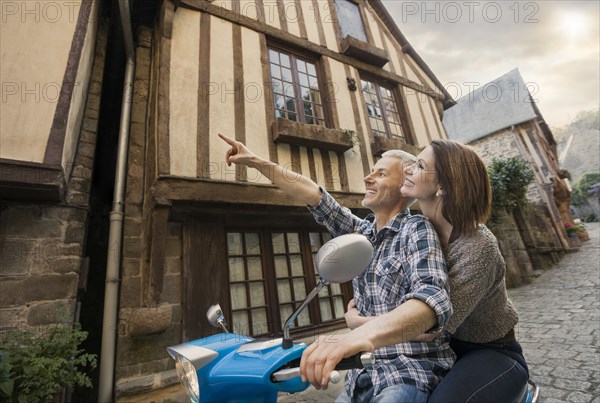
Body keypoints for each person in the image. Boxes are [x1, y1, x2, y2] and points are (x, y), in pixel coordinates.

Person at [219, 133, 453, 402]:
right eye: (370, 172)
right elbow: (314, 195)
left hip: (408, 372)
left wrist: (359, 325)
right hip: (361, 373)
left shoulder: (416, 229)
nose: (368, 178)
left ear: (404, 184)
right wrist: (256, 161)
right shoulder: (361, 233)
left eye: (381, 174)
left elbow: (432, 301)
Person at [399, 139, 529, 402]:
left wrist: (358, 327)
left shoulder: (478, 246)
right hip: (438, 352)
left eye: (420, 165)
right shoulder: (415, 229)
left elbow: (429, 326)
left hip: (491, 352)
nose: (408, 170)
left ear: (443, 187)